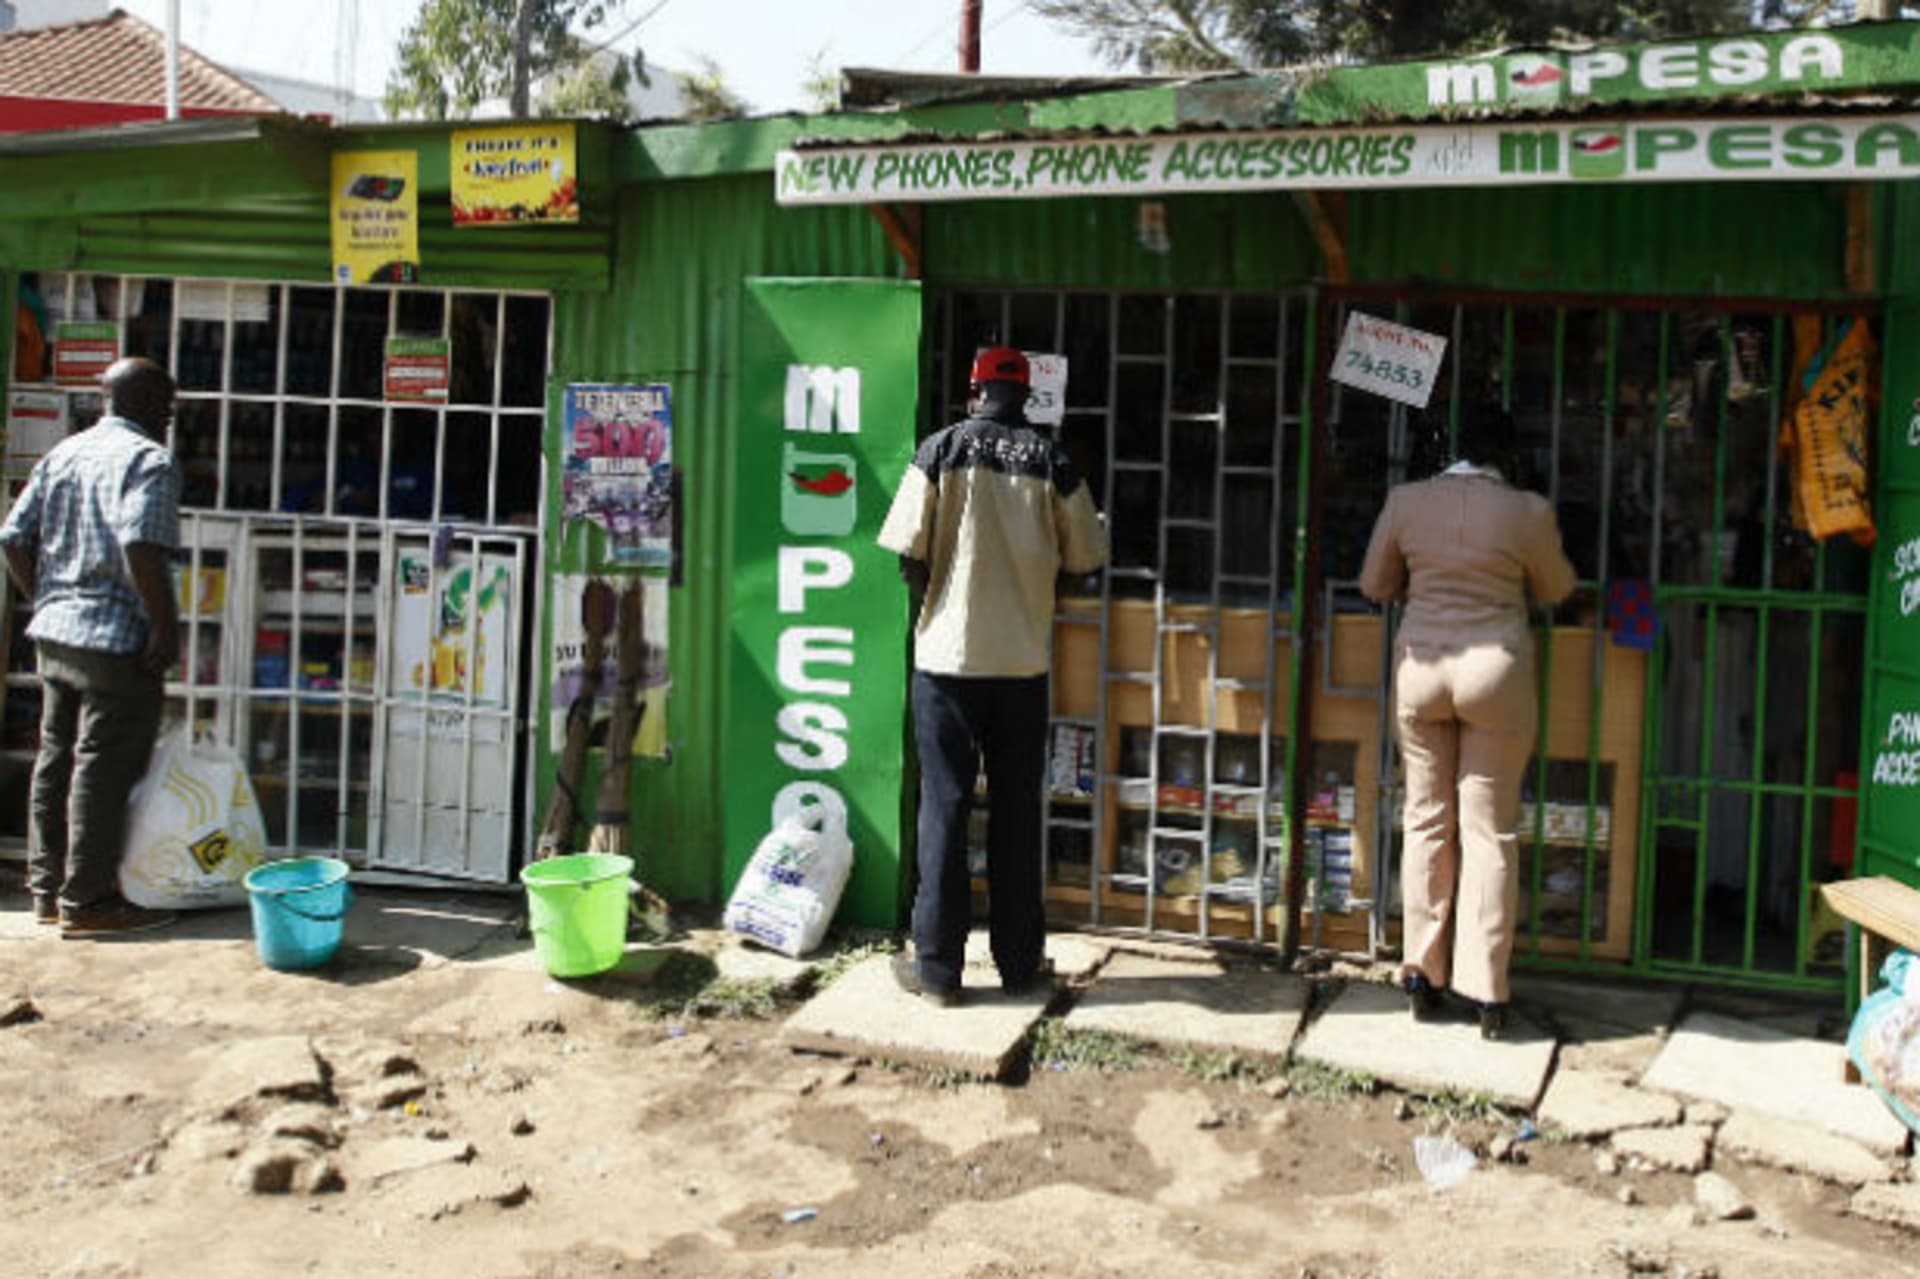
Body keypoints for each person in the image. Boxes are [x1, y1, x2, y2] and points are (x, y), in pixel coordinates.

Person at [877, 346, 1108, 1006]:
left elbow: (906, 554)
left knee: (945, 811)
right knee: (1015, 813)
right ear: (1027, 395)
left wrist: (938, 606)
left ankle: (940, 971)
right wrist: (1039, 594)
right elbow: (1086, 555)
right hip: (1021, 665)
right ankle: (1018, 964)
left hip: (946, 664)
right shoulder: (1052, 459)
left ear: (974, 389)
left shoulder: (940, 450)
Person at [1358, 403, 1576, 1040]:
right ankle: (1486, 990)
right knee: (1489, 832)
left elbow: (1375, 584)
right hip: (1495, 672)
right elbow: (1558, 587)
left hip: (1422, 666)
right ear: (1506, 456)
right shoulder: (1529, 511)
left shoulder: (1405, 501)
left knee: (1425, 818)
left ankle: (1421, 971)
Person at [2, 357, 182, 938]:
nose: (171, 417)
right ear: (150, 403)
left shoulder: (64, 453)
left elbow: (11, 537)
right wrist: (164, 626)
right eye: (168, 406)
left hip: (56, 635)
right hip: (114, 641)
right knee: (102, 766)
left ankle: (47, 891)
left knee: (57, 759)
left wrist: (46, 598)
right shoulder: (149, 460)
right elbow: (140, 543)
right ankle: (90, 900)